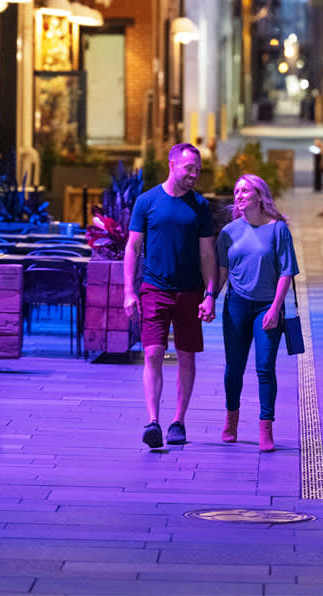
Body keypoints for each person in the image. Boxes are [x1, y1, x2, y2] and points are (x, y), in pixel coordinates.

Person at [124, 143, 218, 450]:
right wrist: (128, 292)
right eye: (189, 169)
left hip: (190, 290)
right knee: (152, 353)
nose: (194, 175)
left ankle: (178, 421)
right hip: (154, 288)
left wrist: (210, 294)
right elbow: (133, 248)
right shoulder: (147, 201)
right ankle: (153, 421)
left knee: (186, 355)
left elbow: (207, 253)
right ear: (172, 165)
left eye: (198, 170)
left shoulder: (200, 206)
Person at [216, 174, 299, 452]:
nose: (238, 195)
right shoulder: (228, 232)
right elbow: (222, 271)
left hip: (267, 307)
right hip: (237, 305)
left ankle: (266, 427)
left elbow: (286, 271)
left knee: (265, 368)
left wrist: (276, 308)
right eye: (236, 191)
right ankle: (231, 419)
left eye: (245, 191)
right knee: (234, 369)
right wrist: (208, 299)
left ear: (259, 196)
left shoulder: (278, 230)